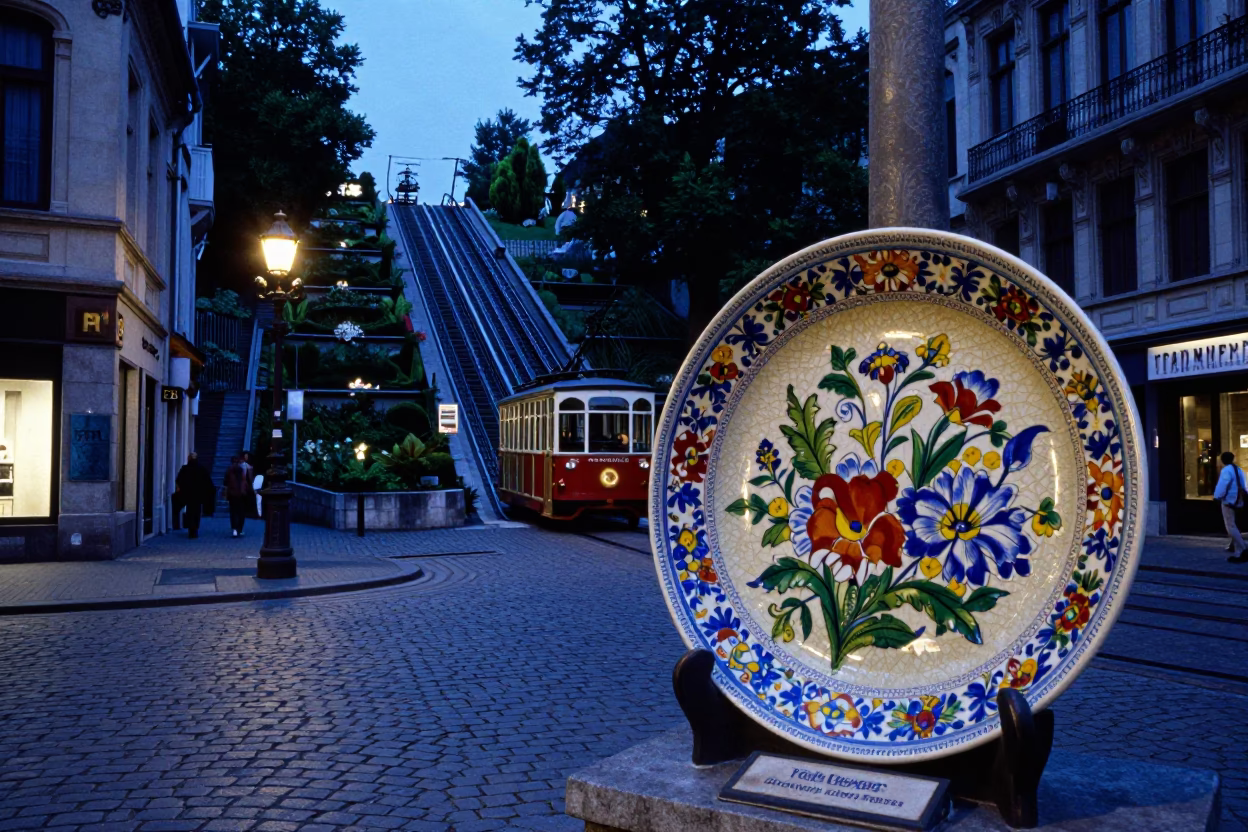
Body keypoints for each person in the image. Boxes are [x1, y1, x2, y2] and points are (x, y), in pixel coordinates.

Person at [1213, 451, 1248, 563]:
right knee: (1234, 525)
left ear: (1223, 460)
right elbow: (1244, 485)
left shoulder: (1226, 470)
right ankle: (1236, 550)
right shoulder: (1238, 469)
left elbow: (1223, 485)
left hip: (1229, 500)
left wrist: (1217, 496)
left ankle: (1243, 548)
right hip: (1238, 500)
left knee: (1230, 526)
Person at [175, 452, 213, 539]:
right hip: (198, 495)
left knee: (190, 512)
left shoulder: (185, 469)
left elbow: (179, 480)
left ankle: (191, 530)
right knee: (197, 512)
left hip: (188, 495)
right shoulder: (201, 468)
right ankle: (195, 529)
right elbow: (207, 482)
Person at [223, 455, 254, 538]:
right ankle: (240, 528)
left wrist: (226, 494)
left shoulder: (229, 471)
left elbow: (225, 483)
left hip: (232, 494)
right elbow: (247, 482)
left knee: (233, 512)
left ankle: (234, 529)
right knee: (241, 512)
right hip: (242, 494)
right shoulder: (242, 470)